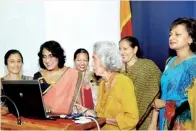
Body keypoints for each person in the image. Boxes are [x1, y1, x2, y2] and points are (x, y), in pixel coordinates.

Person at [75, 41, 139, 130]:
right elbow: (102, 115)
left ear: (104, 61)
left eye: (94, 59)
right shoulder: (102, 84)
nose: (92, 64)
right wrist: (86, 111)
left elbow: (132, 119)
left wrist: (104, 119)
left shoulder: (123, 82)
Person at [149, 18, 196, 130]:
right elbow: (162, 93)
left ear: (190, 39)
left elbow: (192, 101)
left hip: (184, 123)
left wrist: (166, 104)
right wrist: (153, 122)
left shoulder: (194, 64)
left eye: (177, 34)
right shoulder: (169, 61)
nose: (171, 37)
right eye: (170, 34)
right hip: (164, 119)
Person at [33, 40, 94, 114]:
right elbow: (35, 103)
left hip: (67, 119)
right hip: (45, 120)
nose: (47, 60)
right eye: (44, 57)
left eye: (51, 56)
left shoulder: (73, 74)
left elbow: (78, 104)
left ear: (58, 56)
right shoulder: (38, 76)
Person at [119, 36, 161, 130]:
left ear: (135, 49)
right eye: (120, 49)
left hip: (147, 121)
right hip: (124, 123)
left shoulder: (147, 66)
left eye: (125, 49)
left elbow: (157, 96)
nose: (122, 52)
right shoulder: (118, 72)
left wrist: (154, 122)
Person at [0, 49, 32, 114]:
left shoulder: (30, 80)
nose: (16, 64)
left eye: (19, 61)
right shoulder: (1, 82)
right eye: (12, 61)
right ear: (6, 63)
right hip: (5, 120)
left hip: (27, 120)